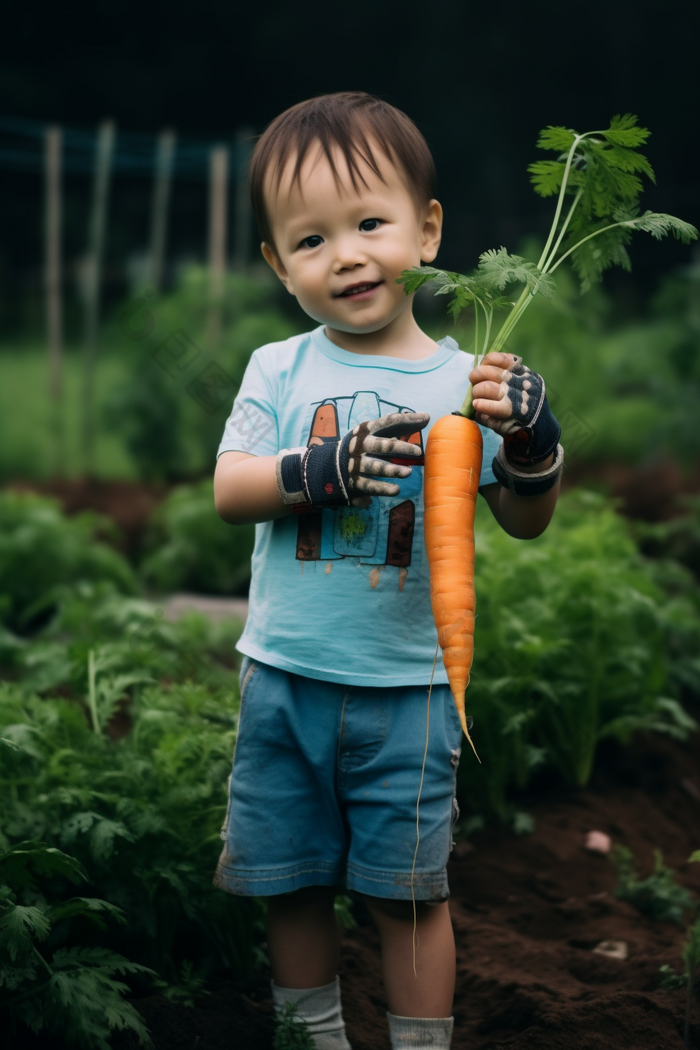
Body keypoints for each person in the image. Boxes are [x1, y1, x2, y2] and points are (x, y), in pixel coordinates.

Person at [213, 91, 563, 1050]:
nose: (349, 255)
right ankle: (311, 1039)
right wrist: (315, 471)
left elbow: (525, 522)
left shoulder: (468, 383)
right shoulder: (278, 369)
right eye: (312, 240)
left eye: (371, 223)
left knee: (408, 897)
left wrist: (533, 446)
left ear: (429, 229)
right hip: (283, 679)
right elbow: (231, 487)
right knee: (290, 885)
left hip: (409, 693)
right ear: (279, 266)